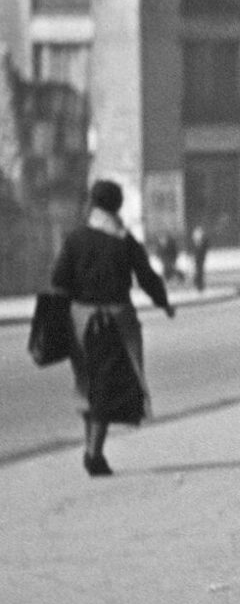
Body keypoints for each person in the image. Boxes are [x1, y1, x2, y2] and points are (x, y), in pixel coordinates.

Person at [49, 179, 176, 476]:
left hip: (81, 323)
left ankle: (92, 450)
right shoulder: (124, 240)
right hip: (117, 323)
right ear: (118, 206)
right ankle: (94, 454)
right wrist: (164, 304)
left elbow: (58, 280)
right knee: (106, 389)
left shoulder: (75, 238)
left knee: (89, 385)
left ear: (93, 204)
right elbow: (146, 277)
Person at [188, 224, 210, 292]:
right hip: (196, 258)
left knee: (199, 271)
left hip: (200, 258)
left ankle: (199, 285)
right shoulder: (194, 242)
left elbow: (205, 248)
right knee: (195, 271)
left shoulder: (204, 241)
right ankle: (197, 284)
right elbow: (191, 249)